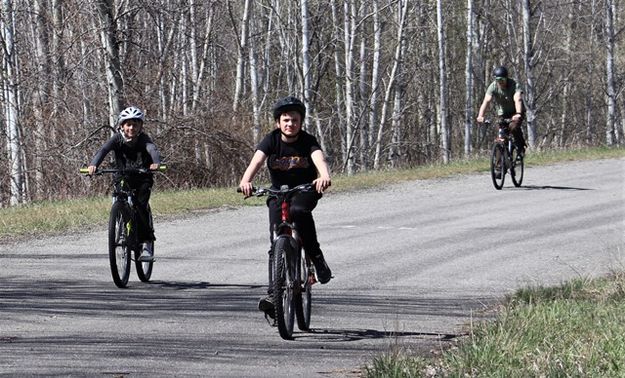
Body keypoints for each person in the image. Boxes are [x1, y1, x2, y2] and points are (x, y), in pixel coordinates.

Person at [239, 96, 332, 318]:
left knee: (299, 212)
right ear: (278, 122)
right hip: (278, 192)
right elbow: (257, 162)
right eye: (286, 120)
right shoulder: (270, 140)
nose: (290, 124)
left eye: (295, 120)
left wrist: (324, 176)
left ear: (301, 122)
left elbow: (320, 160)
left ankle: (317, 259)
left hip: (304, 191)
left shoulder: (308, 140)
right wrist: (246, 181)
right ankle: (274, 293)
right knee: (275, 240)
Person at [87, 106, 162, 262]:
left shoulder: (143, 139)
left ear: (141, 126)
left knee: (141, 206)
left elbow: (152, 149)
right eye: (128, 124)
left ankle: (146, 244)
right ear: (121, 126)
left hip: (143, 177)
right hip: (123, 175)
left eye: (135, 124)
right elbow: (103, 150)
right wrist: (94, 164)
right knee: (119, 195)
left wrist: (156, 163)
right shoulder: (117, 138)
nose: (131, 128)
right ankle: (121, 221)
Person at [477, 65, 526, 155]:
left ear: (506, 79)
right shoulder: (493, 86)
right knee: (501, 136)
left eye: (502, 80)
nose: (500, 82)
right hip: (503, 114)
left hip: (516, 112)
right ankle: (500, 165)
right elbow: (486, 101)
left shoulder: (514, 85)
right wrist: (480, 116)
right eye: (498, 80)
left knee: (513, 127)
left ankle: (520, 147)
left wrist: (518, 113)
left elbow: (518, 99)